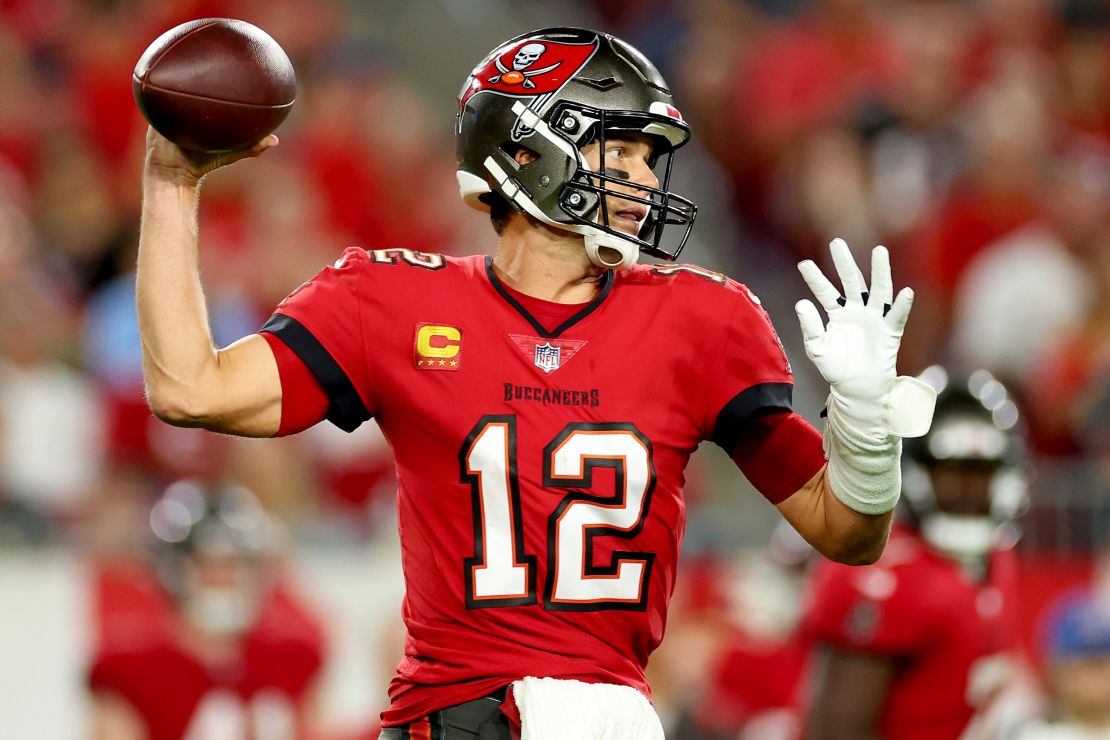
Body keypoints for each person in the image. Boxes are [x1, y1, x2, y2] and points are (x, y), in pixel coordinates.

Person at [136, 26, 933, 739]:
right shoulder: (392, 301)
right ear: (526, 152)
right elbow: (190, 389)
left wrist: (864, 427)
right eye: (619, 150)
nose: (645, 179)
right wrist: (172, 183)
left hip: (614, 713)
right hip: (459, 712)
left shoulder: (704, 320)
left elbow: (846, 533)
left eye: (650, 158)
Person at [800, 367, 1033, 740]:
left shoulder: (995, 558)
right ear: (917, 470)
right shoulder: (881, 574)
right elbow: (835, 729)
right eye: (953, 472)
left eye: (981, 472)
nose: (968, 490)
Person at [88, 479, 326, 740]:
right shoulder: (128, 667)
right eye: (209, 565)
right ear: (173, 570)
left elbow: (316, 732)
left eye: (234, 564)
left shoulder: (294, 655)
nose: (224, 578)